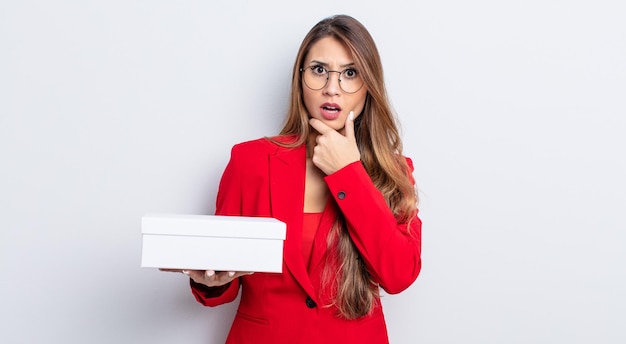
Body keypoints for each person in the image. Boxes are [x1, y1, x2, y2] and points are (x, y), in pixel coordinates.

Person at [177, 14, 421, 343]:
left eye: (350, 73)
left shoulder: (393, 170)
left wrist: (348, 173)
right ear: (300, 79)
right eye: (319, 70)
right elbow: (223, 279)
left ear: (368, 85)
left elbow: (399, 274)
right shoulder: (250, 161)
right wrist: (212, 280)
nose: (332, 88)